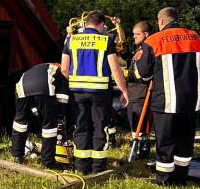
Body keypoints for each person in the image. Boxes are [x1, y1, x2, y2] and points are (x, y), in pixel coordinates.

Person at [135, 7, 200, 186]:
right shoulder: (195, 37)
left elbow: (143, 73)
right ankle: (181, 176)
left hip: (166, 100)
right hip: (191, 100)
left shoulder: (154, 40)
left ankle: (164, 179)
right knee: (185, 140)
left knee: (165, 141)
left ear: (161, 22)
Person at [62, 11, 129, 175]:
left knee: (81, 127)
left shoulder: (71, 40)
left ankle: (81, 167)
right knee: (100, 127)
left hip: (77, 92)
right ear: (100, 25)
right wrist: (124, 90)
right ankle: (98, 168)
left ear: (85, 23)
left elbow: (64, 69)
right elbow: (115, 68)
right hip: (100, 92)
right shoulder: (106, 40)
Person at [11, 62, 70, 168]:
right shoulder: (61, 72)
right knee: (49, 126)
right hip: (43, 87)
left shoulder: (42, 67)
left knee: (20, 122)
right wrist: (60, 117)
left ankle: (17, 156)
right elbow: (63, 99)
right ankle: (47, 163)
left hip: (21, 87)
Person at [126, 21, 152, 159]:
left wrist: (125, 74)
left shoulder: (145, 50)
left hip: (140, 91)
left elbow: (143, 73)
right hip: (135, 90)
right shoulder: (140, 48)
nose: (134, 37)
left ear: (146, 34)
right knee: (135, 122)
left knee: (139, 122)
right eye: (133, 34)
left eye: (137, 34)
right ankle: (139, 148)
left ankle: (140, 150)